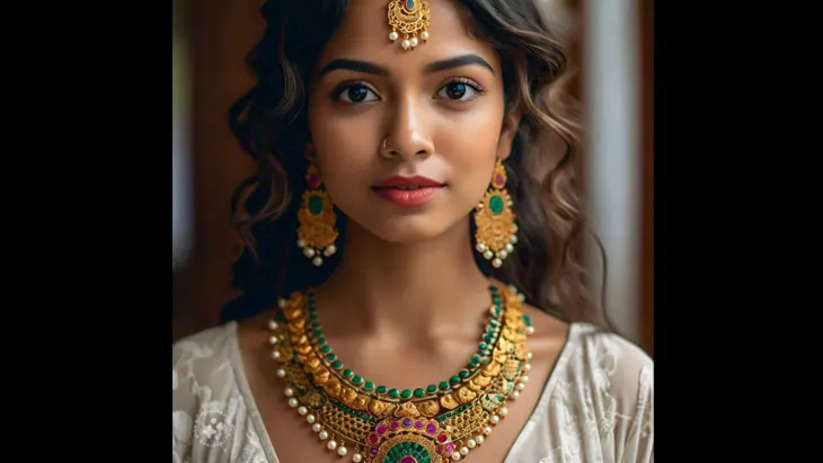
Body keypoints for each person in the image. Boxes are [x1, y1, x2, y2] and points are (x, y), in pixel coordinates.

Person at [172, 1, 653, 462]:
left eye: (456, 90)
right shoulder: (194, 393)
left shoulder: (618, 396)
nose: (407, 138)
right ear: (308, 129)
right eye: (357, 92)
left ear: (508, 124)